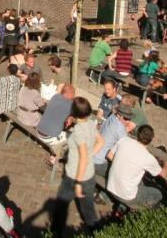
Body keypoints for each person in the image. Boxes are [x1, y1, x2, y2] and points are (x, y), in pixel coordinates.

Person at [51, 97, 104, 236]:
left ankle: (55, 232)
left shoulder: (79, 131)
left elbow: (83, 156)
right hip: (89, 174)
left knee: (61, 204)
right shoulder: (91, 123)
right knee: (89, 209)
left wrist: (78, 182)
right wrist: (90, 154)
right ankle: (98, 232)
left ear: (73, 112)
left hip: (75, 177)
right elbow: (101, 141)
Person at [106, 125, 167, 208]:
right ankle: (144, 211)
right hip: (126, 195)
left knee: (140, 181)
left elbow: (109, 155)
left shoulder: (124, 140)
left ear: (137, 134)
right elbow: (163, 174)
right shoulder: (148, 158)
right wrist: (166, 163)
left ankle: (124, 207)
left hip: (111, 186)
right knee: (159, 193)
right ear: (152, 138)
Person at [93, 105, 135, 178]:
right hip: (99, 163)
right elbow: (127, 146)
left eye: (129, 119)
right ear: (118, 115)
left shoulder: (112, 117)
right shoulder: (120, 129)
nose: (128, 121)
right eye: (125, 118)